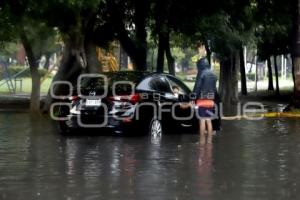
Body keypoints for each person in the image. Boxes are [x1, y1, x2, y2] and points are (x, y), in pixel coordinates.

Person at [193, 44, 217, 143]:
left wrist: (193, 96)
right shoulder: (213, 74)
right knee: (209, 120)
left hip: (202, 101)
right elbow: (214, 89)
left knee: (202, 120)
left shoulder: (202, 74)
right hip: (210, 101)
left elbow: (198, 87)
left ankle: (202, 142)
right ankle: (209, 141)